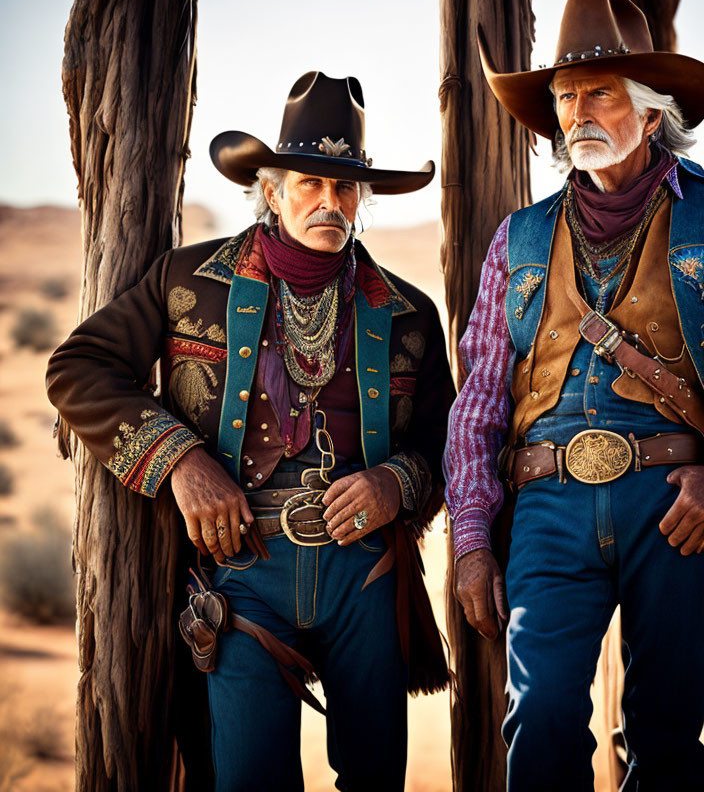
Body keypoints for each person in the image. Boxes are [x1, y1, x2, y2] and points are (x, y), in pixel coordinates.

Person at [47, 70, 454, 792]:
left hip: (365, 572)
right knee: (247, 780)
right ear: (270, 189)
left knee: (376, 779)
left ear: (362, 198)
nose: (329, 202)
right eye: (309, 183)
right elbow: (79, 368)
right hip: (239, 571)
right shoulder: (186, 282)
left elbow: (446, 441)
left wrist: (397, 483)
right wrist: (181, 462)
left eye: (346, 187)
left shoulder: (409, 314)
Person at [443, 0, 704, 791]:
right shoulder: (516, 239)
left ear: (651, 109)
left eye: (599, 92)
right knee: (544, 714)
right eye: (564, 96)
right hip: (548, 507)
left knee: (667, 732)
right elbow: (479, 400)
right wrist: (473, 539)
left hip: (677, 505)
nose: (577, 111)